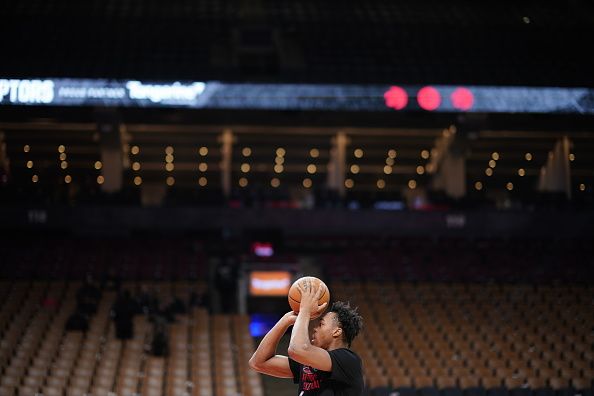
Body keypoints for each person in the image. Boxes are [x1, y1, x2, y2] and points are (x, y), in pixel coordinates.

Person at [249, 278, 364, 395]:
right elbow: (258, 363)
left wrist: (305, 310)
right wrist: (285, 320)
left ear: (336, 331)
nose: (315, 328)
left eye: (321, 324)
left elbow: (296, 350)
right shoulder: (308, 364)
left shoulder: (348, 360)